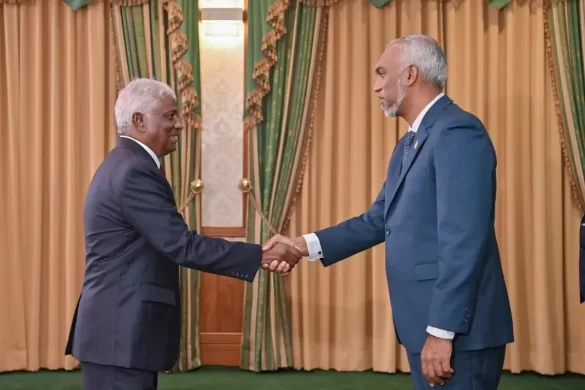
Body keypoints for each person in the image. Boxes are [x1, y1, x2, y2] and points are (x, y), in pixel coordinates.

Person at [263, 35, 514, 390]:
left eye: (382, 73)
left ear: (410, 74)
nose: (376, 86)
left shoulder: (457, 131)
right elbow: (378, 220)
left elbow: (464, 241)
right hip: (425, 325)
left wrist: (442, 330)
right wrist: (301, 245)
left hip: (457, 333)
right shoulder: (409, 143)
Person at [65, 78, 299, 390]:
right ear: (139, 120)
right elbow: (182, 245)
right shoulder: (134, 171)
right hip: (120, 335)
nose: (178, 125)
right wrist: (262, 254)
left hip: (117, 334)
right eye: (170, 116)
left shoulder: (122, 163)